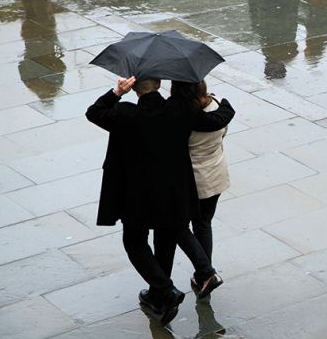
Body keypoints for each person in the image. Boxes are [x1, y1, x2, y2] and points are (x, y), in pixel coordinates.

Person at [85, 76, 235, 325]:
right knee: (167, 236)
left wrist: (116, 92)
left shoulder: (124, 113)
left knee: (134, 241)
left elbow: (94, 112)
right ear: (159, 84)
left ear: (134, 87)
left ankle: (164, 289)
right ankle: (172, 285)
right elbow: (215, 120)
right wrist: (226, 104)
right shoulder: (179, 109)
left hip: (135, 194)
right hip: (172, 192)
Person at [170, 80, 230, 299]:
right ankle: (203, 276)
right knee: (204, 223)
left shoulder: (180, 116)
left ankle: (206, 272)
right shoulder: (216, 105)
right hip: (215, 174)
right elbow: (223, 133)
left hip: (191, 180)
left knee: (176, 225)